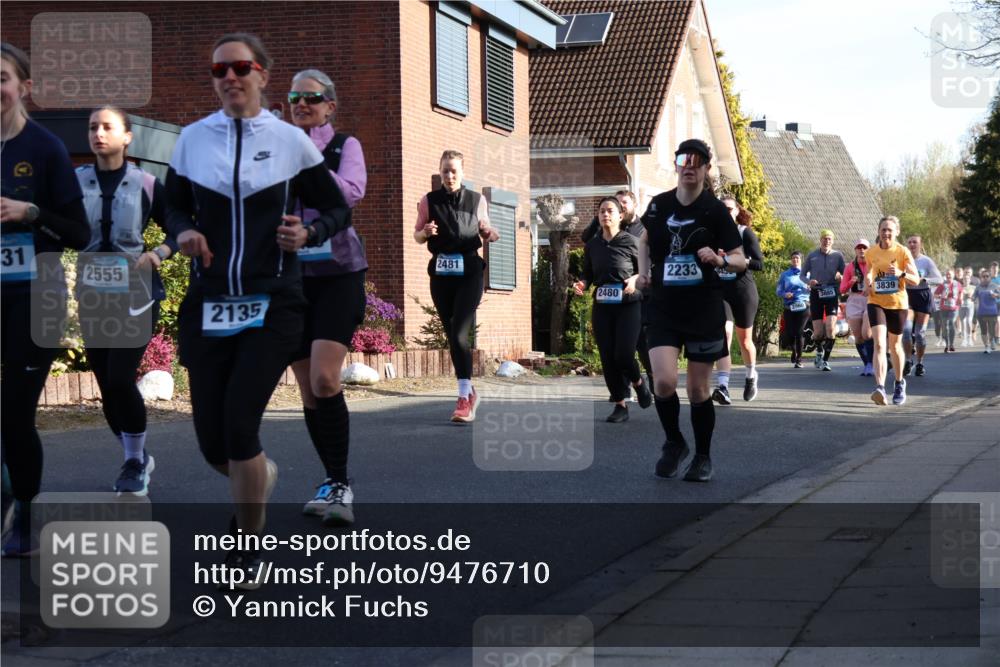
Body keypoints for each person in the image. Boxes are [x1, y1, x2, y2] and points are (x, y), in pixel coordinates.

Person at [164, 33, 349, 583]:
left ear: (263, 75)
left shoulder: (291, 142)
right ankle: (258, 474)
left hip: (273, 302)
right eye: (219, 69)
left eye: (241, 67)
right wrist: (184, 232)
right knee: (213, 444)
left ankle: (249, 549)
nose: (229, 77)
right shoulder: (193, 140)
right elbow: (171, 206)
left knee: (241, 426)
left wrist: (310, 229)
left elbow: (337, 208)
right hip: (211, 302)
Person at [1, 43, 90, 556]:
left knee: (15, 413)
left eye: (2, 78)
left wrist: (30, 211)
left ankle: (27, 519)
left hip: (37, 296)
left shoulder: (46, 148)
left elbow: (77, 231)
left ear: (24, 86)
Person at [76, 106, 176, 495]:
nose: (98, 133)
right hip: (92, 293)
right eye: (92, 128)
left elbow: (180, 229)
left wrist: (158, 254)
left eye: (107, 127)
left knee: (120, 377)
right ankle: (136, 453)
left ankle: (134, 461)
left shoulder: (147, 183)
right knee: (107, 384)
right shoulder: (74, 181)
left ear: (127, 137)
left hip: (136, 294)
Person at [284, 69, 368, 527]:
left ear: (329, 106)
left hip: (338, 275)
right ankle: (331, 479)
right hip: (292, 280)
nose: (301, 104)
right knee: (308, 389)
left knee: (324, 380)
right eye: (295, 97)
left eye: (311, 98)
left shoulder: (343, 147)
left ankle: (341, 483)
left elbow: (351, 192)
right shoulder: (276, 148)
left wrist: (307, 166)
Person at [636, 138, 746, 482]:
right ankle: (674, 442)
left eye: (697, 162)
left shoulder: (714, 210)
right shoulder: (659, 206)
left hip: (703, 310)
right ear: (677, 165)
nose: (689, 166)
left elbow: (741, 259)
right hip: (665, 307)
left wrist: (720, 258)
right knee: (665, 381)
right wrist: (642, 273)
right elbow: (642, 239)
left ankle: (702, 456)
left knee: (698, 390)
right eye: (684, 160)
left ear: (705, 170)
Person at [414, 150, 499, 422]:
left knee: (461, 334)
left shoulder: (476, 200)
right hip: (440, 273)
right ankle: (469, 390)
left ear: (462, 173)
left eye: (454, 171)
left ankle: (463, 396)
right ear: (439, 172)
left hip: (469, 271)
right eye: (445, 171)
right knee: (452, 333)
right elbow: (416, 235)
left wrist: (487, 232)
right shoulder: (429, 201)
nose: (449, 176)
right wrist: (425, 232)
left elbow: (492, 232)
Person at [573, 197, 651, 422]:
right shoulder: (592, 246)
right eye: (601, 212)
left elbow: (646, 270)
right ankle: (620, 404)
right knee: (607, 357)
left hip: (628, 303)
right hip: (603, 304)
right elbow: (587, 273)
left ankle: (639, 384)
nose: (605, 215)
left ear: (620, 216)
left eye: (610, 211)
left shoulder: (631, 241)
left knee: (624, 354)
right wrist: (582, 283)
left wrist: (634, 279)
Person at [712, 195, 763, 403]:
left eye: (730, 208)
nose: (727, 211)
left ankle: (751, 376)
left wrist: (738, 260)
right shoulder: (711, 234)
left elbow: (760, 264)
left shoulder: (745, 233)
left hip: (743, 291)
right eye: (722, 208)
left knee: (745, 341)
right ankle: (723, 386)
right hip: (721, 291)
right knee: (723, 333)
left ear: (737, 211)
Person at [864, 216, 919, 406]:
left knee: (895, 346)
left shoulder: (902, 252)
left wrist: (900, 273)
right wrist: (868, 282)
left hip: (897, 303)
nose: (886, 233)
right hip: (876, 301)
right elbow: (869, 272)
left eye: (890, 230)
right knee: (879, 344)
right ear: (878, 231)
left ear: (896, 232)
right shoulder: (870, 253)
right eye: (883, 229)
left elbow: (916, 279)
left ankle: (899, 382)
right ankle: (880, 387)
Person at [802, 230, 845, 371]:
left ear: (832, 241)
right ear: (820, 240)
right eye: (824, 239)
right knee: (819, 332)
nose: (827, 241)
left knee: (831, 329)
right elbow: (802, 275)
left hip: (832, 293)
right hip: (816, 293)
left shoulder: (838, 256)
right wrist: (809, 281)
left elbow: (846, 273)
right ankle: (819, 351)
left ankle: (826, 360)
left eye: (829, 239)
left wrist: (841, 278)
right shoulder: (812, 256)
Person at [902, 235, 942, 377]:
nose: (912, 244)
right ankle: (908, 360)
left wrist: (927, 279)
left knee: (920, 334)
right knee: (906, 331)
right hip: (907, 296)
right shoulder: (903, 259)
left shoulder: (926, 261)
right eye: (910, 242)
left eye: (915, 242)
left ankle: (920, 363)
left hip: (923, 296)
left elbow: (940, 279)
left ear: (920, 244)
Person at [840, 239, 874, 376]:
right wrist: (850, 282)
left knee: (867, 333)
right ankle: (867, 364)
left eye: (864, 248)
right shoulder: (850, 267)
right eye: (859, 248)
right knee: (859, 336)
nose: (861, 250)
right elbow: (842, 289)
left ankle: (873, 363)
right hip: (854, 300)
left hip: (870, 299)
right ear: (855, 250)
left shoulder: (874, 264)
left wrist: (870, 288)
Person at [776, 251, 811, 368]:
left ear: (801, 260)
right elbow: (778, 290)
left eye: (797, 258)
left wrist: (810, 287)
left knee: (799, 332)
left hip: (803, 305)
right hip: (789, 306)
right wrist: (785, 294)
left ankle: (799, 359)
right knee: (790, 333)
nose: (795, 260)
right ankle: (794, 351)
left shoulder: (808, 274)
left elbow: (815, 287)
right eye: (793, 258)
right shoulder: (785, 275)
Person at [934, 268, 961, 353]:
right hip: (943, 308)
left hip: (954, 308)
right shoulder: (942, 285)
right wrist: (941, 296)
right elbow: (935, 295)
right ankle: (947, 344)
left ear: (953, 275)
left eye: (950, 274)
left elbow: (961, 292)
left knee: (951, 323)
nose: (948, 275)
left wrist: (960, 299)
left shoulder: (957, 284)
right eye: (947, 274)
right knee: (945, 326)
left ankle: (951, 344)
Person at [974, 270, 999, 353]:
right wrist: (971, 298)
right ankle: (986, 346)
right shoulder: (978, 287)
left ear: (990, 277)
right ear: (981, 278)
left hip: (992, 312)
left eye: (987, 276)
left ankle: (992, 341)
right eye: (983, 276)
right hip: (981, 312)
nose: (985, 278)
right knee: (983, 330)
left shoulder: (995, 286)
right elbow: (974, 297)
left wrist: (996, 295)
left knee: (992, 331)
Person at [960, 274, 977, 347]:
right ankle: (964, 339)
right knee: (963, 322)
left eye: (967, 279)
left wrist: (972, 296)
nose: (966, 280)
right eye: (964, 279)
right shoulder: (960, 287)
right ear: (962, 280)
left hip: (970, 306)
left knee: (968, 321)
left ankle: (969, 338)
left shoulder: (973, 287)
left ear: (970, 280)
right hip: (961, 307)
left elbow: (975, 296)